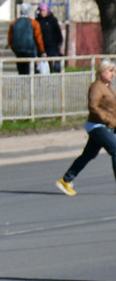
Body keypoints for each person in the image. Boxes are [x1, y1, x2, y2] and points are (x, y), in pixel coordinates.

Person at [56, 59, 116, 195]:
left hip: (104, 125)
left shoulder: (107, 86)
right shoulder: (96, 86)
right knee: (115, 150)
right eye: (110, 71)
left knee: (88, 155)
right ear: (102, 72)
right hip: (97, 126)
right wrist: (107, 120)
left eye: (114, 71)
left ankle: (66, 180)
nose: (113, 74)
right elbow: (93, 106)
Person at [7, 3, 43, 75]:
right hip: (30, 51)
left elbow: (9, 39)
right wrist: (42, 51)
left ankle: (22, 85)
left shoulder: (14, 23)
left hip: (18, 52)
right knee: (31, 72)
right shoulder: (34, 23)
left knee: (21, 72)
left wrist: (14, 49)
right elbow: (38, 38)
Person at [36, 2, 64, 74]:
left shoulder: (52, 20)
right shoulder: (37, 21)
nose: (42, 12)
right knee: (43, 67)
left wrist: (59, 44)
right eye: (41, 10)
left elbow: (58, 33)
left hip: (52, 47)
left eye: (43, 10)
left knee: (53, 64)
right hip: (41, 47)